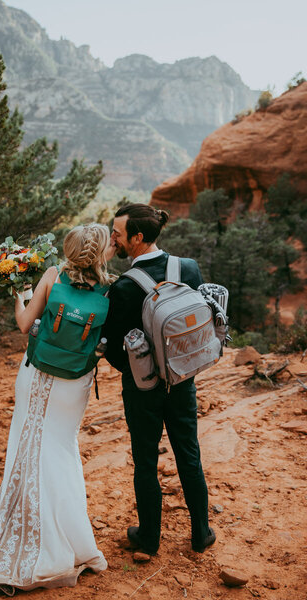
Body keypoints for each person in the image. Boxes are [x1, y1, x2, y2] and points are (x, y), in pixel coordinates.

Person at [0, 224, 116, 596]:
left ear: (70, 247)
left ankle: (24, 525)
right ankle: (73, 538)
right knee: (62, 450)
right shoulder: (112, 288)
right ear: (102, 252)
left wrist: (20, 294)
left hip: (36, 376)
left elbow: (23, 324)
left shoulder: (53, 275)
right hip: (75, 384)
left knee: (27, 443)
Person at [103, 203, 216, 556]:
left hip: (142, 389)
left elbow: (113, 348)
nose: (113, 240)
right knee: (189, 455)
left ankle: (149, 538)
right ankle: (201, 533)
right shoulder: (188, 268)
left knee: (146, 461)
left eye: (117, 235)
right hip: (183, 381)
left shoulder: (123, 286)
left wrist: (142, 372)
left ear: (137, 237)